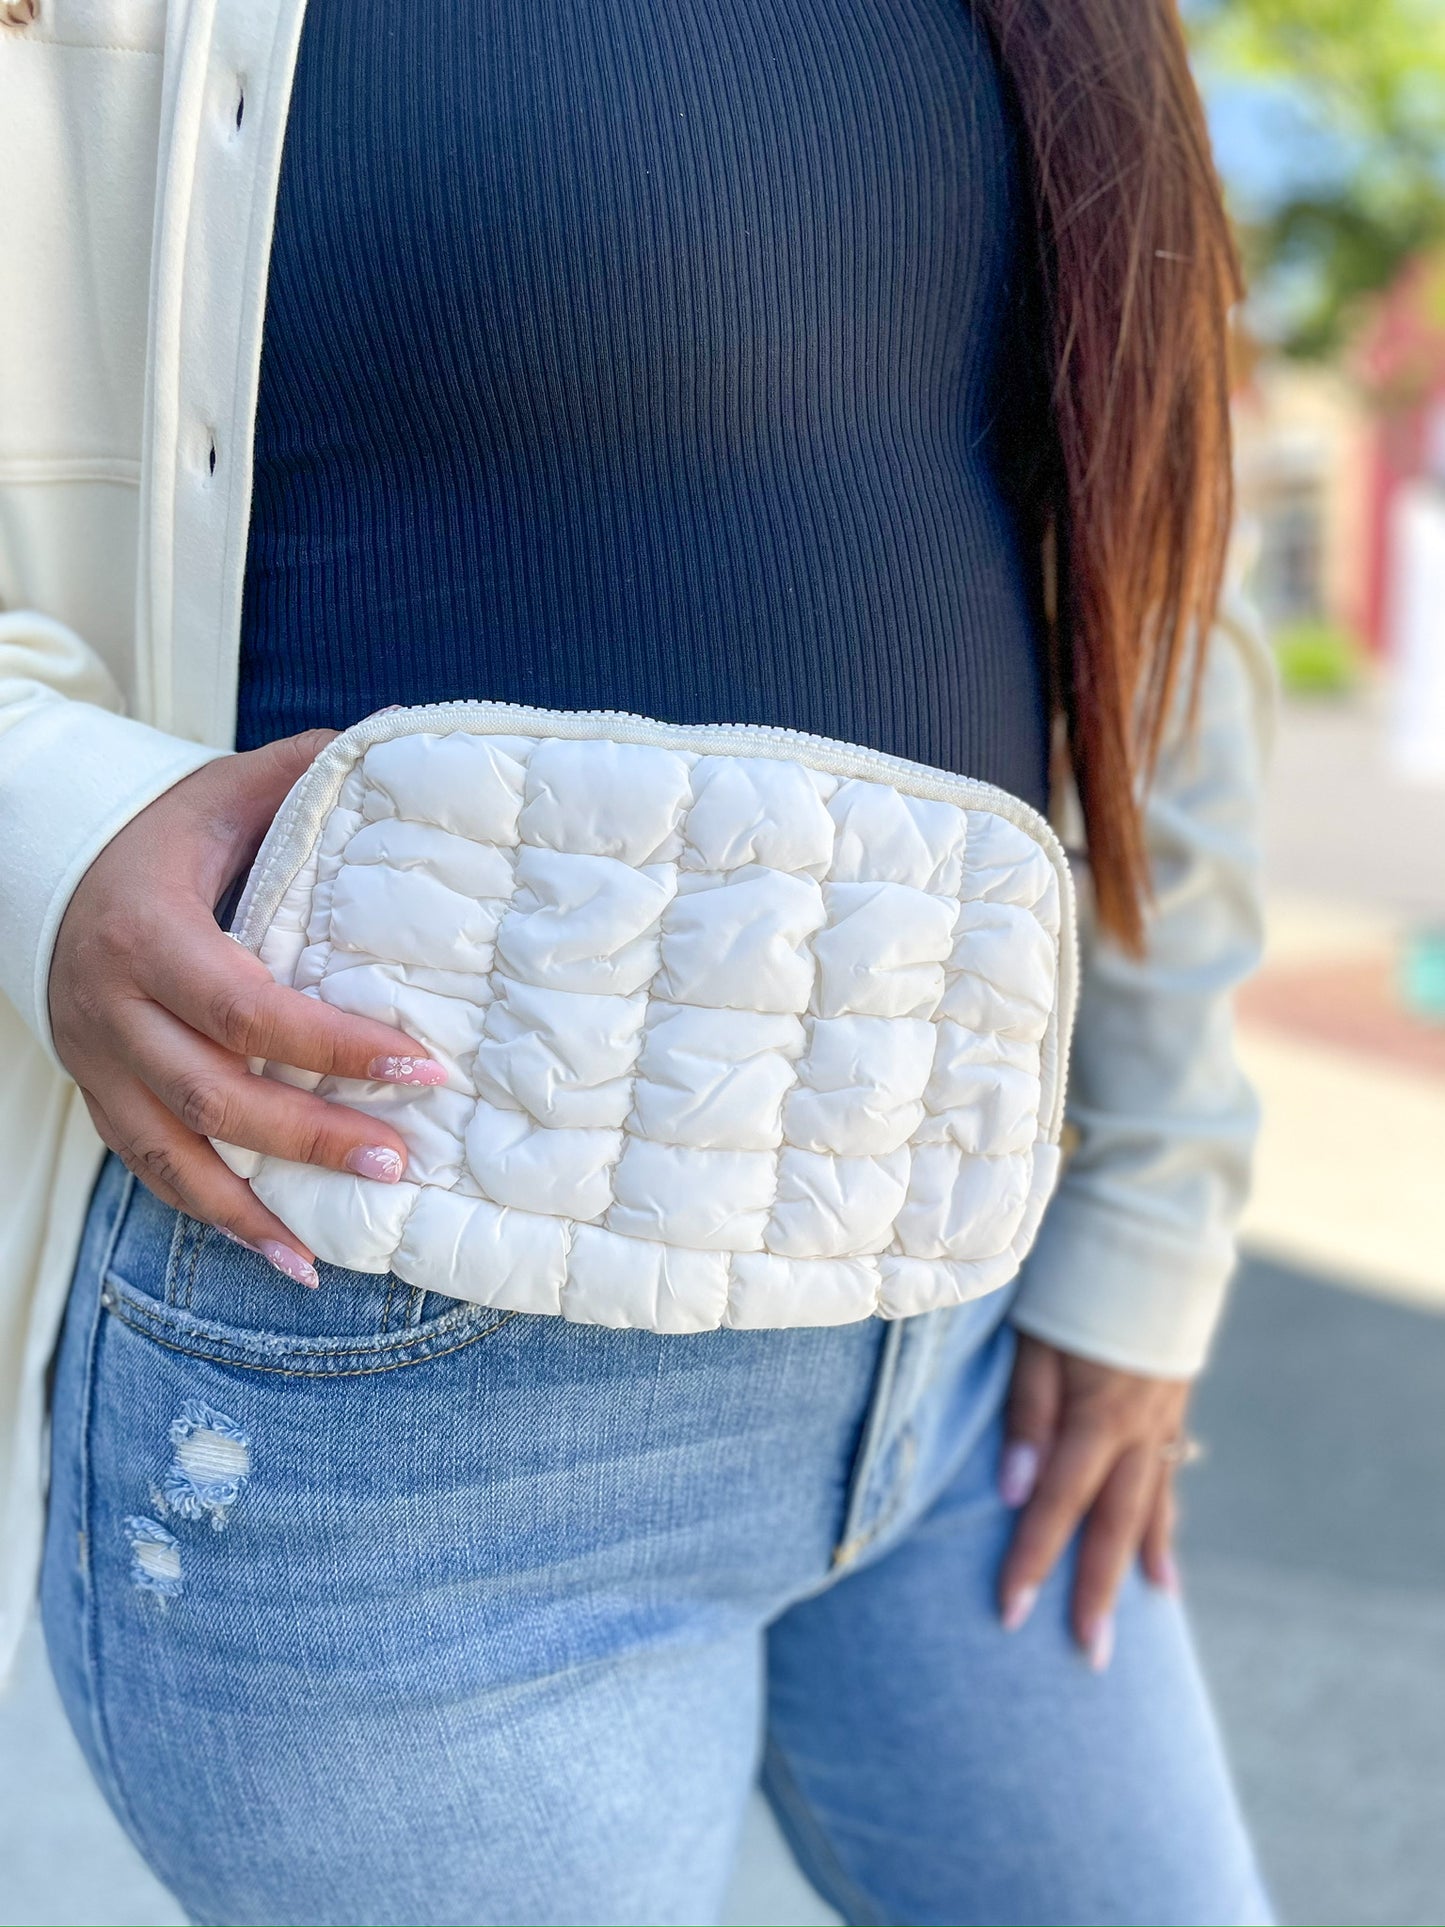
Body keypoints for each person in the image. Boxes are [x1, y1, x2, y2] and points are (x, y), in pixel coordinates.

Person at [0, 0, 1272, 1920]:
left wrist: (1150, 1230)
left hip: (964, 1349)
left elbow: (1152, 569)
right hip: (399, 1397)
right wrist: (51, 820)